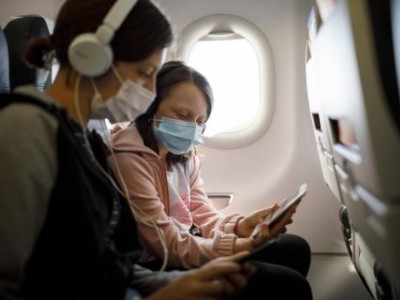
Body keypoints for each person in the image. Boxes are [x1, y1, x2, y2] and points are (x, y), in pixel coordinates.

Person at [0, 0, 255, 299]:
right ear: (93, 57)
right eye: (145, 73)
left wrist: (175, 284)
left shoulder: (87, 139)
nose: (150, 93)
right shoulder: (24, 130)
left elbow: (106, 265)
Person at [109, 60, 313, 299]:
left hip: (188, 244)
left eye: (199, 122)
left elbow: (201, 213)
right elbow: (167, 245)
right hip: (160, 260)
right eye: (183, 115)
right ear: (151, 106)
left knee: (295, 248)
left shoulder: (183, 157)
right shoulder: (129, 158)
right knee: (290, 286)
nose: (191, 128)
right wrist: (237, 246)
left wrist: (240, 226)